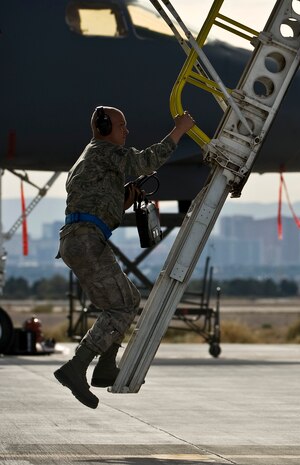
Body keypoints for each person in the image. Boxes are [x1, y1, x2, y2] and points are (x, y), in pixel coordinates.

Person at [54, 106, 195, 408]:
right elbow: (146, 162)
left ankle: (105, 367)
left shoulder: (90, 157)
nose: (126, 131)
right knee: (119, 308)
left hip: (80, 239)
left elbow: (95, 201)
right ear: (105, 128)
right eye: (121, 126)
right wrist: (179, 130)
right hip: (87, 240)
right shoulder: (106, 151)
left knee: (128, 299)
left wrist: (123, 199)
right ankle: (76, 367)